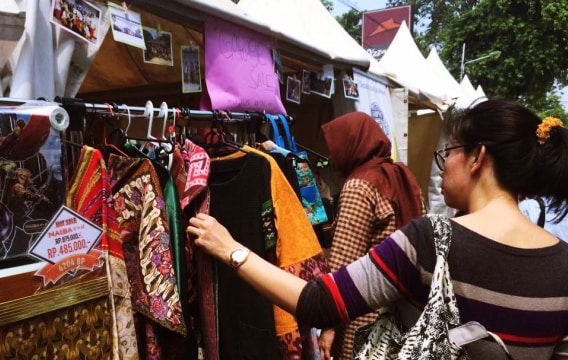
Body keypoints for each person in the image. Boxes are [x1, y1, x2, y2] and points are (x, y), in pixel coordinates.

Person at [187, 99, 568, 359]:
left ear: (477, 157)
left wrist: (231, 250)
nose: (442, 165)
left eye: (448, 152)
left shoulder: (432, 241)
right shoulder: (562, 264)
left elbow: (319, 302)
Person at [317, 112, 425, 360]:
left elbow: (343, 263)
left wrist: (328, 326)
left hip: (366, 316)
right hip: (406, 312)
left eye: (336, 147)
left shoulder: (359, 186)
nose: (332, 158)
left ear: (352, 144)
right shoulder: (404, 177)